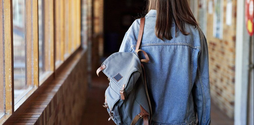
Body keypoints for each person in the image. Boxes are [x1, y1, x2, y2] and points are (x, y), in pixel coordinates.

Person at [119, 0, 211, 124]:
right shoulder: (195, 34)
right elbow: (202, 91)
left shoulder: (137, 30)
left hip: (144, 120)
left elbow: (120, 81)